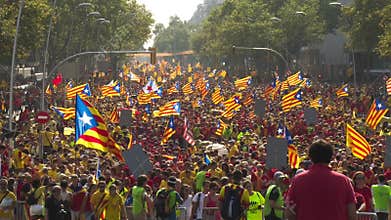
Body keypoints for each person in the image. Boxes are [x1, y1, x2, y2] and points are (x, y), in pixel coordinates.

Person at [286, 140, 357, 220]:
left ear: (310, 156)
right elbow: (352, 214)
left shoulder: (298, 180)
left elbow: (290, 213)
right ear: (331, 157)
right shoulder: (343, 180)